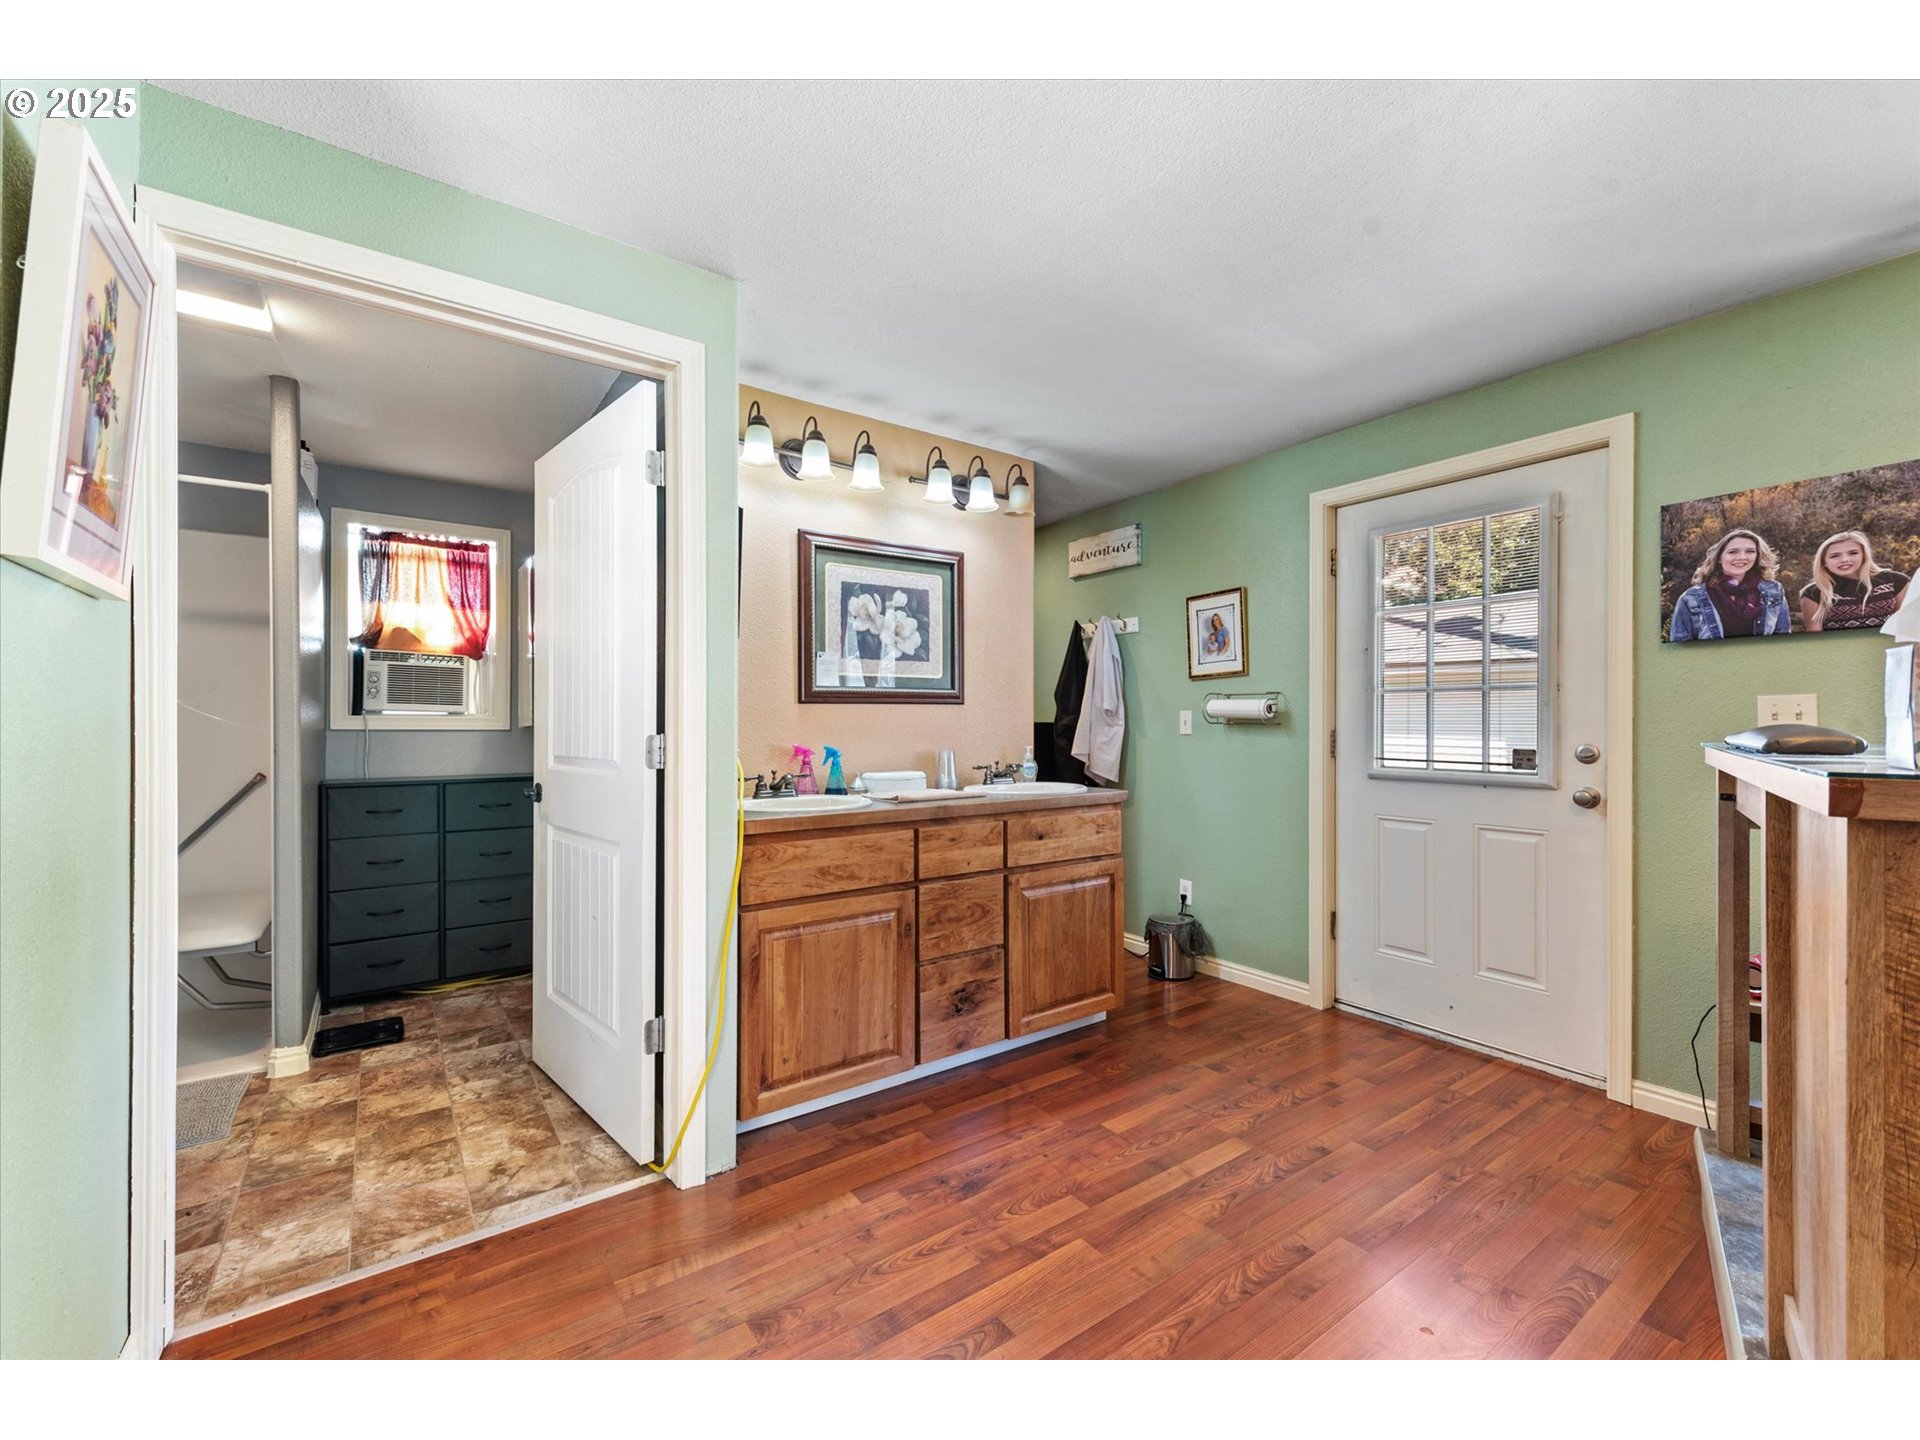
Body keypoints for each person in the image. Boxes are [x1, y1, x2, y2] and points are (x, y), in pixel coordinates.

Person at [1669, 528, 1791, 641]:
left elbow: (1782, 641)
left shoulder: (1774, 590)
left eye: (1750, 551)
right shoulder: (1691, 598)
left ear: (1757, 556)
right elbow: (1680, 648)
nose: (1742, 557)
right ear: (1719, 558)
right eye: (1733, 552)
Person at [1799, 530, 1910, 632]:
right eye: (1835, 556)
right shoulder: (1813, 593)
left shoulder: (1896, 581)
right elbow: (1815, 638)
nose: (1845, 560)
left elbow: (1905, 626)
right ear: (1824, 562)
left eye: (1853, 553)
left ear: (1864, 555)